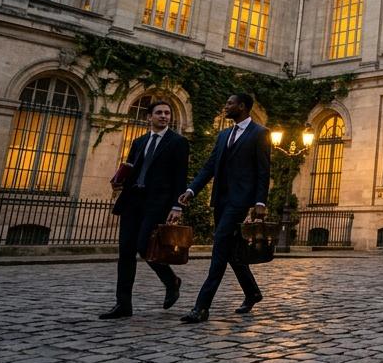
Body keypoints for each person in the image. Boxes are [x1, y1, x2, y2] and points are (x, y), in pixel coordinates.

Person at [176, 93, 272, 323]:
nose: (226, 106)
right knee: (231, 251)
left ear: (242, 106)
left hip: (240, 202)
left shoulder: (260, 133)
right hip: (220, 200)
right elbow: (209, 167)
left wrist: (260, 202)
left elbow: (263, 171)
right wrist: (191, 190)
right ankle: (252, 292)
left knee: (219, 248)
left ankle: (202, 306)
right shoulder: (223, 135)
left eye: (230, 103)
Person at [100, 99, 189, 319]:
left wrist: (177, 206)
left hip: (157, 203)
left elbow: (180, 176)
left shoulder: (178, 142)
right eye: (159, 112)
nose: (164, 116)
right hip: (133, 200)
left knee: (144, 246)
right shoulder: (139, 142)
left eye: (167, 113)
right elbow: (131, 168)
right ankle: (123, 305)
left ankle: (171, 280)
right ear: (149, 117)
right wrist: (119, 180)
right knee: (126, 251)